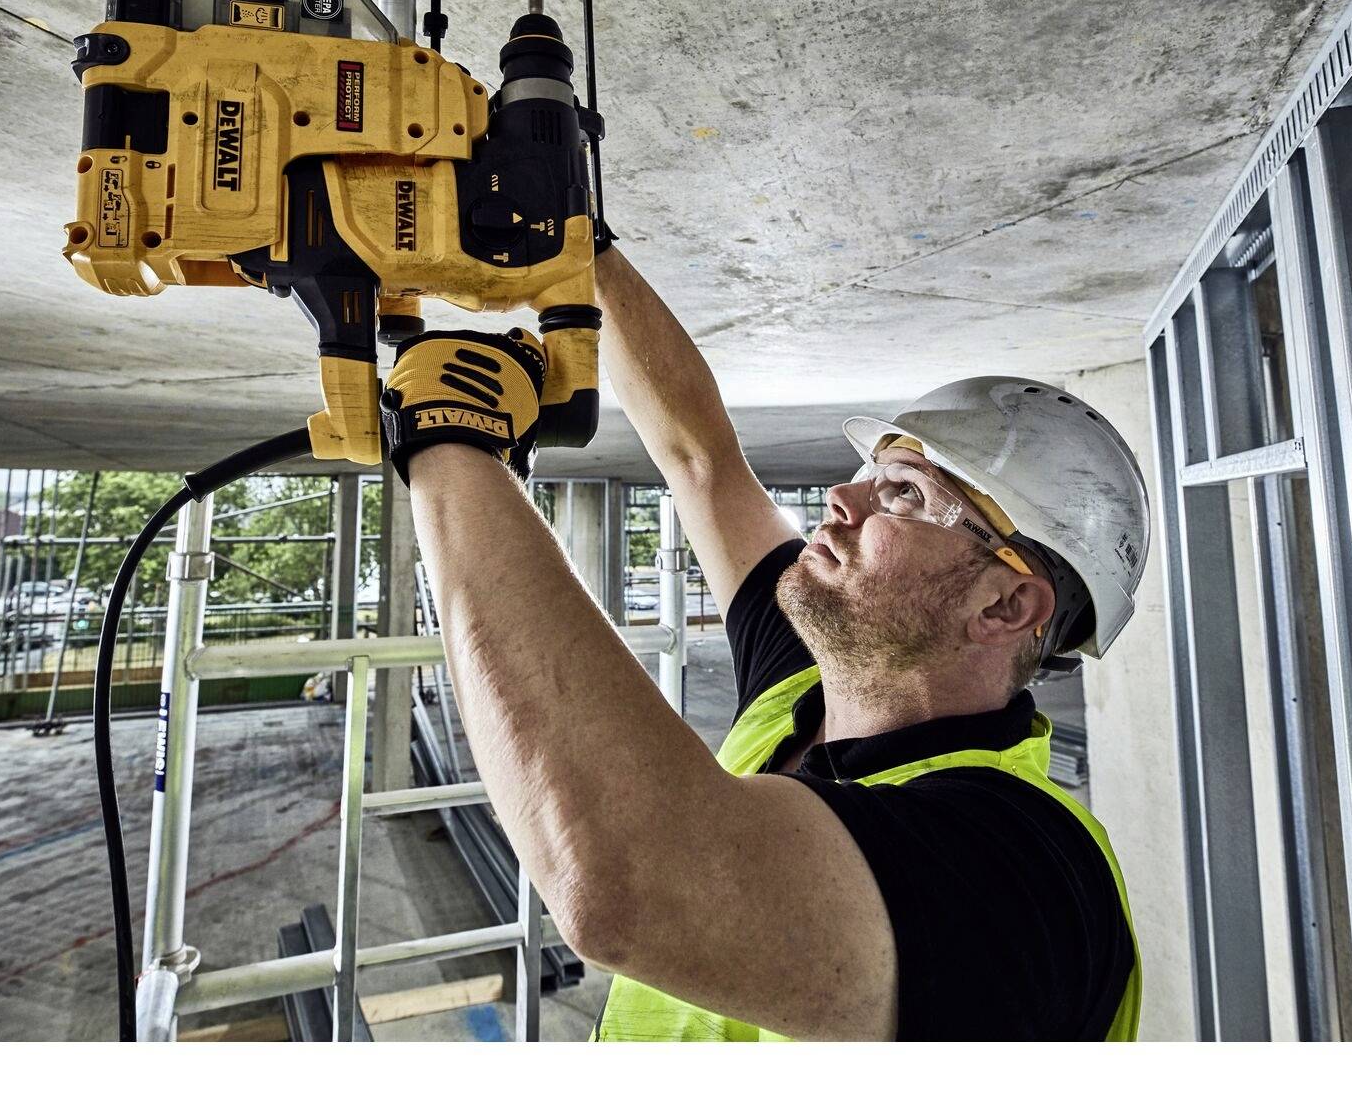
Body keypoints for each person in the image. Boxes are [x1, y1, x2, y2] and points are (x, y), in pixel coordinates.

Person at [382, 243, 1150, 1041]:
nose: (841, 496)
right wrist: (578, 246)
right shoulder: (806, 681)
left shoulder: (1025, 872)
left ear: (1006, 603)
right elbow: (700, 458)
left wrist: (448, 438)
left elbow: (628, 881)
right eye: (871, 470)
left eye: (905, 493)